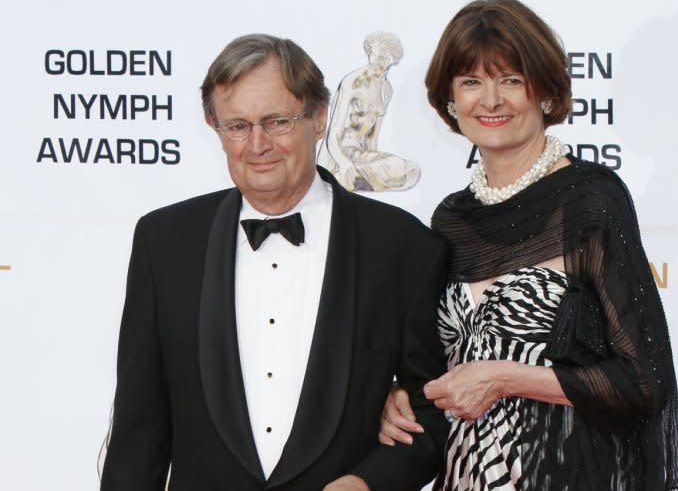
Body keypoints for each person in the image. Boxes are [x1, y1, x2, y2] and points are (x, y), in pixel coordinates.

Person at [100, 34, 450, 491]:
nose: (258, 144)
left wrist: (369, 483)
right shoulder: (164, 241)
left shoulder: (403, 246)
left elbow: (435, 407)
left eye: (278, 121)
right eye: (237, 126)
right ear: (215, 128)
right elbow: (138, 425)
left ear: (319, 116)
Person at [379, 0, 678, 490]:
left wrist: (506, 377)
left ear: (544, 91)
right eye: (471, 82)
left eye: (510, 80)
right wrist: (400, 394)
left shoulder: (591, 199)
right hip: (469, 473)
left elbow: (643, 380)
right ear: (450, 101)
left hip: (572, 473)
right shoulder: (450, 219)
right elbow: (439, 360)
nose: (491, 100)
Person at [318, 31, 420, 192]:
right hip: (337, 156)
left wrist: (374, 161)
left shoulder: (386, 90)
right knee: (391, 171)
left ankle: (355, 180)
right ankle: (341, 178)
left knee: (409, 169)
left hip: (360, 156)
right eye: (375, 55)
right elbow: (334, 131)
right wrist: (343, 162)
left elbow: (372, 137)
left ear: (393, 59)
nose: (378, 62)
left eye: (384, 58)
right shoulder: (352, 82)